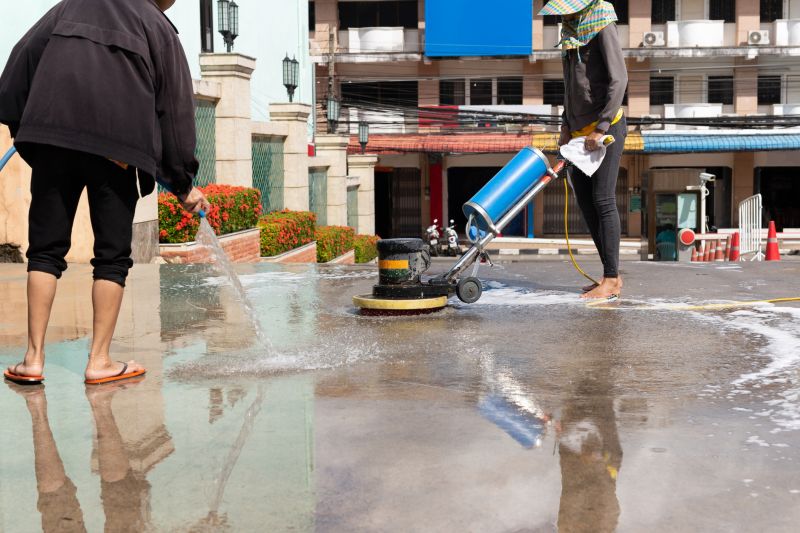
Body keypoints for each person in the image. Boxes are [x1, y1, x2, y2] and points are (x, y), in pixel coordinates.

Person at [0, 0, 210, 385]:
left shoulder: (71, 6)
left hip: (53, 139)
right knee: (111, 256)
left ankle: (32, 359)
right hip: (117, 150)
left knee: (44, 250)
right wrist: (183, 183)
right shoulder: (157, 26)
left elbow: (22, 57)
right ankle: (99, 361)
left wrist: (26, 125)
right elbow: (175, 110)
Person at [540, 0, 628, 300]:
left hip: (605, 129)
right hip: (577, 132)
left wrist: (601, 127)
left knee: (603, 199)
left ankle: (613, 278)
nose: (561, 14)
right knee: (586, 204)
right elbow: (569, 85)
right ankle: (609, 275)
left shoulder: (601, 19)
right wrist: (565, 125)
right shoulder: (568, 29)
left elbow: (620, 78)